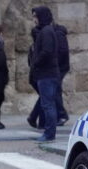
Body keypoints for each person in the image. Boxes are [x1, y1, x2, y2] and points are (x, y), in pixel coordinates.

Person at [30, 6, 61, 142]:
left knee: (48, 105)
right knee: (48, 104)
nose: (34, 20)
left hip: (47, 74)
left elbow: (47, 52)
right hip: (47, 73)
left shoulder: (46, 31)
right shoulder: (45, 31)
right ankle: (49, 132)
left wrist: (36, 62)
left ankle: (49, 133)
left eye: (35, 17)